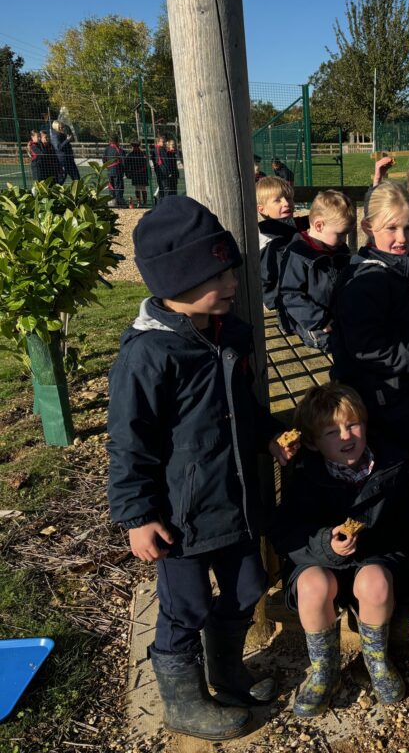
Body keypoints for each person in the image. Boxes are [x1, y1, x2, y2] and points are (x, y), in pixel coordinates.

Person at [106, 196, 298, 740]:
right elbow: (128, 443)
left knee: (247, 586)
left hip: (234, 502)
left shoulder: (229, 335)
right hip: (182, 518)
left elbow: (246, 409)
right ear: (177, 282)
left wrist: (267, 439)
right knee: (185, 606)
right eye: (218, 273)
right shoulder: (149, 356)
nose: (233, 281)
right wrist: (137, 516)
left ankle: (228, 671)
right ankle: (183, 698)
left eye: (230, 268)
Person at [272, 383, 409, 715]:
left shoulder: (391, 465)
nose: (346, 435)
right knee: (313, 584)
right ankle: (325, 670)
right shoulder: (304, 474)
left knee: (374, 581)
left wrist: (374, 542)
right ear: (312, 442)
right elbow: (286, 533)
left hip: (374, 560)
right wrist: (326, 543)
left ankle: (375, 660)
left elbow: (407, 526)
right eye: (332, 432)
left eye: (352, 425)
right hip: (319, 561)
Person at [332, 182, 409, 507]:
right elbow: (368, 350)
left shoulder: (399, 267)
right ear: (367, 227)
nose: (402, 238)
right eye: (391, 228)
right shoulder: (368, 282)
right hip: (377, 392)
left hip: (394, 386)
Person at [278, 190, 355, 351]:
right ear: (319, 225)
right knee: (342, 346)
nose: (343, 240)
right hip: (311, 321)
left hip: (336, 312)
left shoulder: (338, 248)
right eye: (340, 235)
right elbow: (291, 296)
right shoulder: (298, 254)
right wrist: (320, 320)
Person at [256, 176, 298, 315]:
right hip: (286, 303)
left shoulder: (294, 230)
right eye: (277, 200)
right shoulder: (269, 240)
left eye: (289, 198)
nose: (286, 203)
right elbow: (266, 277)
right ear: (262, 209)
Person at [104, 134, 126, 206]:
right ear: (117, 142)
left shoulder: (107, 149)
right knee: (118, 186)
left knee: (111, 186)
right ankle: (119, 201)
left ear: (110, 141)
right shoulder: (119, 150)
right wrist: (124, 170)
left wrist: (108, 167)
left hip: (109, 171)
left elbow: (104, 159)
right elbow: (123, 161)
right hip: (118, 171)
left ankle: (111, 202)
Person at [125, 142, 149, 206]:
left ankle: (145, 202)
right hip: (135, 174)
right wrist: (129, 173)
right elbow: (126, 164)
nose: (134, 148)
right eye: (133, 147)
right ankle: (139, 202)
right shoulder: (130, 155)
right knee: (137, 189)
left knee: (143, 189)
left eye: (136, 147)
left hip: (142, 174)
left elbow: (146, 164)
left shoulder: (143, 154)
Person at [151, 134, 169, 204]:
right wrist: (168, 170)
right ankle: (165, 201)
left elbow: (152, 158)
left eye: (164, 142)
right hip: (163, 169)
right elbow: (165, 160)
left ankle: (160, 201)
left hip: (158, 169)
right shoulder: (161, 149)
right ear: (158, 142)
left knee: (161, 185)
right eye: (163, 142)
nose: (164, 143)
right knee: (165, 187)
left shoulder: (155, 149)